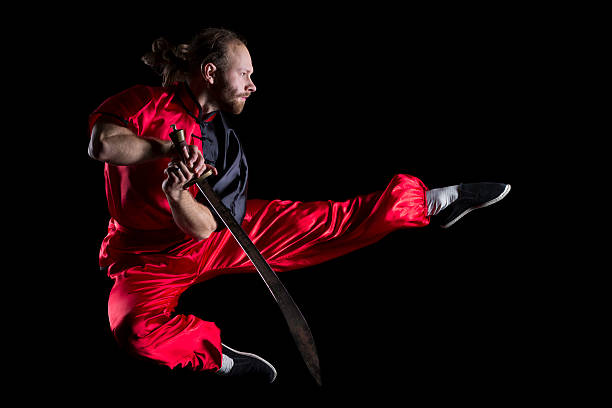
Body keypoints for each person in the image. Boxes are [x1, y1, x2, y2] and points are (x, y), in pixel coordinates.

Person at [88, 27, 510, 384]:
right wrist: (165, 149)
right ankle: (221, 358)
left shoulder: (226, 149)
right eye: (246, 73)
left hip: (208, 239)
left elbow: (203, 230)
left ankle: (436, 201)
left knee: (322, 222)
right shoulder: (144, 102)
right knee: (133, 330)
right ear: (210, 72)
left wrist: (179, 195)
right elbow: (103, 144)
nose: (253, 84)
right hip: (145, 257)